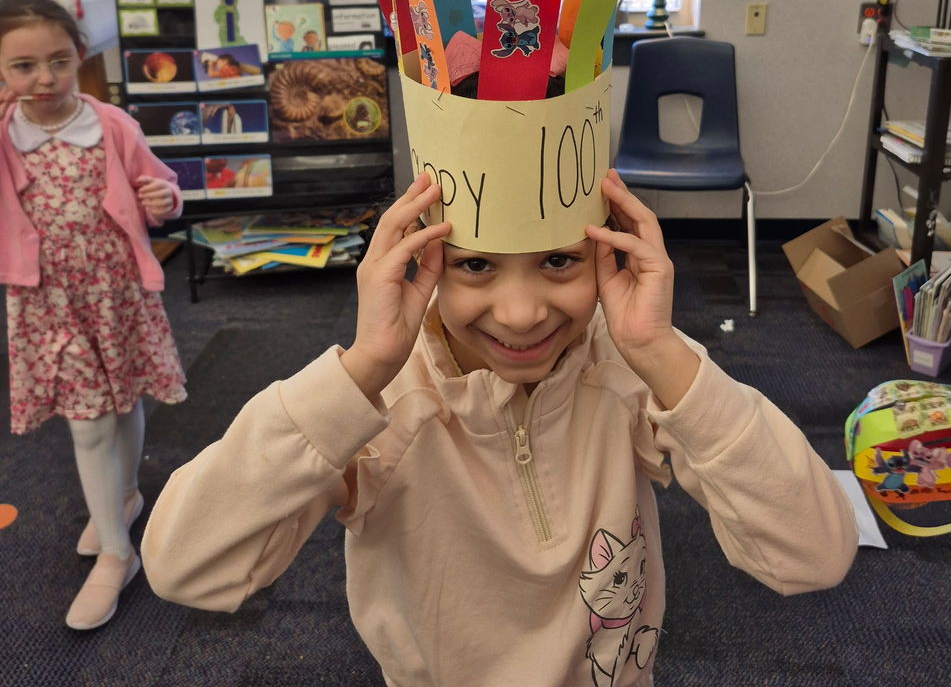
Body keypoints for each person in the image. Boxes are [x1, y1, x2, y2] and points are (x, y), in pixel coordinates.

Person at [142, 168, 857, 685]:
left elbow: (812, 553)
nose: (521, 314)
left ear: (607, 252)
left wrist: (664, 354)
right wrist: (359, 373)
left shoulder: (631, 364)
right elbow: (185, 566)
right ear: (418, 262)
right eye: (475, 265)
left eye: (557, 261)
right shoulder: (374, 401)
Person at [0, 0, 187, 631]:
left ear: (80, 55)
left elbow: (162, 192)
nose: (44, 78)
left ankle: (125, 495)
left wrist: (163, 198)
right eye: (22, 66)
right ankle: (116, 551)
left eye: (58, 60)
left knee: (127, 397)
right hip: (47, 299)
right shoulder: (4, 134)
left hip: (115, 291)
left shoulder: (111, 125)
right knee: (87, 424)